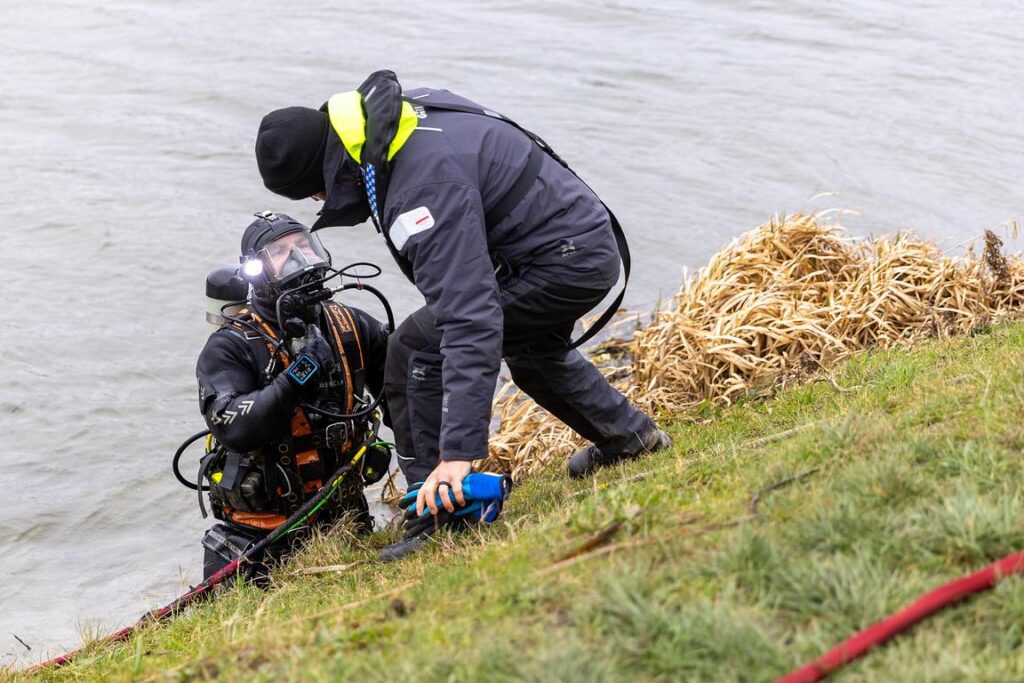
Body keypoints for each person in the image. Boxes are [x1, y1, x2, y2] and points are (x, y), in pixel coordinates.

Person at [254, 71, 670, 558]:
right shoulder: (389, 119)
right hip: (571, 239)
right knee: (532, 352)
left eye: (315, 193)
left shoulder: (418, 190)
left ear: (325, 174)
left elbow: (469, 319)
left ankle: (439, 508)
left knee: (414, 351)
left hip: (566, 260)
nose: (320, 203)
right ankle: (632, 439)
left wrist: (458, 455)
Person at [195, 211, 391, 580]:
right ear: (256, 269)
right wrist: (301, 372)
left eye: (303, 244)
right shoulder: (231, 346)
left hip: (345, 519)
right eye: (281, 250)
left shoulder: (351, 324)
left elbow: (403, 400)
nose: (299, 256)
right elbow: (236, 428)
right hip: (256, 536)